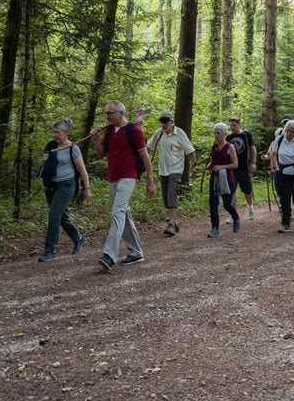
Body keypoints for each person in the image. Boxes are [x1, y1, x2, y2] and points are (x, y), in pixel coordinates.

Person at [90, 100, 155, 272]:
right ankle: (136, 252)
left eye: (110, 113)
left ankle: (109, 255)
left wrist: (150, 179)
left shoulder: (134, 130)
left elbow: (145, 156)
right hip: (113, 176)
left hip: (129, 175)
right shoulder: (110, 131)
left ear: (120, 112)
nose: (107, 116)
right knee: (124, 213)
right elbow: (102, 153)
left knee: (117, 212)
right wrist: (96, 140)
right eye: (106, 113)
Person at [37, 118, 90, 262]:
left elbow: (82, 169)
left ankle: (50, 251)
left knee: (54, 216)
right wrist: (44, 160)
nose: (54, 135)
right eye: (53, 132)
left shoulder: (73, 148)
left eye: (58, 132)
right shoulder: (50, 146)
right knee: (61, 216)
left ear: (66, 133)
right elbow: (45, 167)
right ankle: (78, 238)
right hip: (51, 185)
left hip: (67, 185)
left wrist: (87, 188)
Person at [147, 112, 196, 236]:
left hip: (176, 169)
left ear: (171, 122)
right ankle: (176, 222)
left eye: (166, 122)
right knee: (166, 198)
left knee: (171, 195)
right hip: (163, 170)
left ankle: (171, 224)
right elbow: (148, 147)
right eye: (162, 122)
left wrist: (192, 167)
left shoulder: (180, 134)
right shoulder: (159, 133)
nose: (164, 124)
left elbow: (191, 151)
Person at [270, 119, 294, 233]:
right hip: (284, 171)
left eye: (292, 132)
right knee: (285, 197)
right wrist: (273, 167)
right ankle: (285, 224)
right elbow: (273, 154)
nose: (289, 134)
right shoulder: (279, 139)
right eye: (288, 131)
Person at [206, 123, 240, 237]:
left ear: (224, 134)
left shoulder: (230, 147)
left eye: (218, 133)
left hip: (227, 178)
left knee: (226, 204)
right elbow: (213, 161)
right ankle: (215, 228)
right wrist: (208, 167)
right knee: (213, 203)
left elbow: (235, 164)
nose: (216, 135)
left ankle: (236, 217)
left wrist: (222, 167)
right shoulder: (214, 146)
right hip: (214, 178)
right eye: (215, 133)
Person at [226, 118, 257, 220]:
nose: (232, 127)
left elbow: (252, 149)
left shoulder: (246, 135)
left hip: (244, 167)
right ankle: (232, 213)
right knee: (232, 190)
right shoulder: (229, 137)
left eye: (234, 125)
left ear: (239, 125)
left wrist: (253, 163)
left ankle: (250, 208)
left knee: (247, 190)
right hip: (232, 167)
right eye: (231, 126)